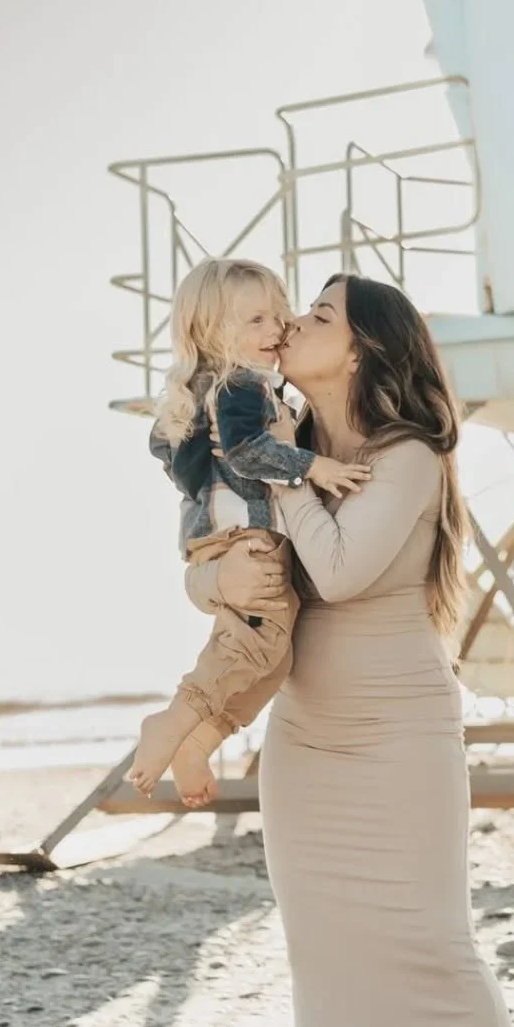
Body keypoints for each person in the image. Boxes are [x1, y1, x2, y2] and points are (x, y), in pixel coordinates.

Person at [187, 273, 514, 1027]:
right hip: (306, 733)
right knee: (327, 955)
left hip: (400, 730)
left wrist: (284, 473)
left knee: (432, 944)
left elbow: (340, 572)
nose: (292, 323)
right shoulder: (272, 435)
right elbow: (220, 566)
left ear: (362, 349)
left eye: (319, 315)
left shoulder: (409, 455)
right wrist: (216, 567)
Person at [128, 258, 370, 804]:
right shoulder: (241, 385)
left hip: (224, 538)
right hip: (246, 538)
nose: (276, 329)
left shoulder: (222, 389)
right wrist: (312, 465)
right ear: (210, 331)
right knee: (253, 648)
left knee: (272, 657)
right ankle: (174, 721)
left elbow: (168, 449)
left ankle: (200, 739)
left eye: (278, 316)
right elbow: (244, 452)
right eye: (255, 320)